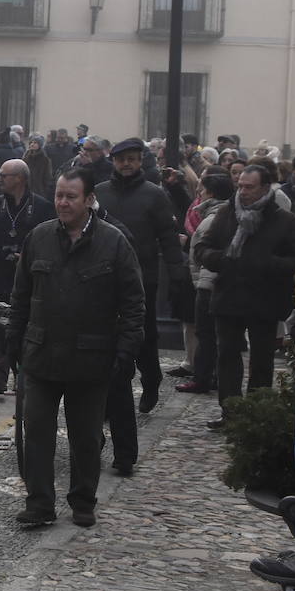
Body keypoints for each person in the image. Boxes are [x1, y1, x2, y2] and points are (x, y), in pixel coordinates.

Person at [7, 167, 144, 528]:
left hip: (90, 359)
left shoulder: (114, 242)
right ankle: (39, 503)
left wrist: (126, 351)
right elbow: (21, 296)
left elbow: (133, 303)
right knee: (36, 433)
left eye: (70, 197)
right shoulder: (38, 237)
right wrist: (12, 342)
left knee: (85, 438)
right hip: (41, 355)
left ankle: (83, 499)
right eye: (58, 195)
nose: (63, 203)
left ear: (88, 200)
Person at [93, 137, 184, 443]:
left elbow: (169, 237)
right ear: (114, 162)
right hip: (105, 279)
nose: (126, 164)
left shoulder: (154, 195)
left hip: (143, 276)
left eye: (132, 159)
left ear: (140, 161)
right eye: (121, 160)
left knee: (143, 336)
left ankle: (151, 378)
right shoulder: (101, 192)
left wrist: (177, 273)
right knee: (107, 339)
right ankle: (109, 397)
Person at [197, 165, 295, 429]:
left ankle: (256, 414)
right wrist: (221, 259)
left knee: (262, 359)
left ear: (265, 188)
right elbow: (203, 248)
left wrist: (265, 263)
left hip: (265, 298)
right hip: (229, 295)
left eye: (249, 187)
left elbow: (293, 260)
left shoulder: (284, 220)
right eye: (240, 185)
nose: (243, 191)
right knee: (227, 355)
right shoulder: (227, 213)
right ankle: (230, 412)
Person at [0, 158, 54, 394]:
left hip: (29, 277)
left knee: (27, 325)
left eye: (4, 175)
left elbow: (49, 240)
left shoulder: (41, 207)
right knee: (0, 323)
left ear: (19, 178)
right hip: (0, 274)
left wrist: (30, 258)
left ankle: (23, 374)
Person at [179, 172, 233, 395]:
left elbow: (202, 251)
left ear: (209, 193)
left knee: (206, 334)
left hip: (207, 283)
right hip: (210, 281)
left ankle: (202, 378)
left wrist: (188, 245)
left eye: (201, 190)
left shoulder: (214, 217)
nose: (198, 194)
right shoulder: (224, 213)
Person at [23, 134, 55, 200]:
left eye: (35, 143)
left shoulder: (44, 159)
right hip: (26, 189)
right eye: (31, 142)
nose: (32, 144)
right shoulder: (26, 157)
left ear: (40, 145)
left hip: (39, 190)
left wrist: (46, 190)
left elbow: (47, 177)